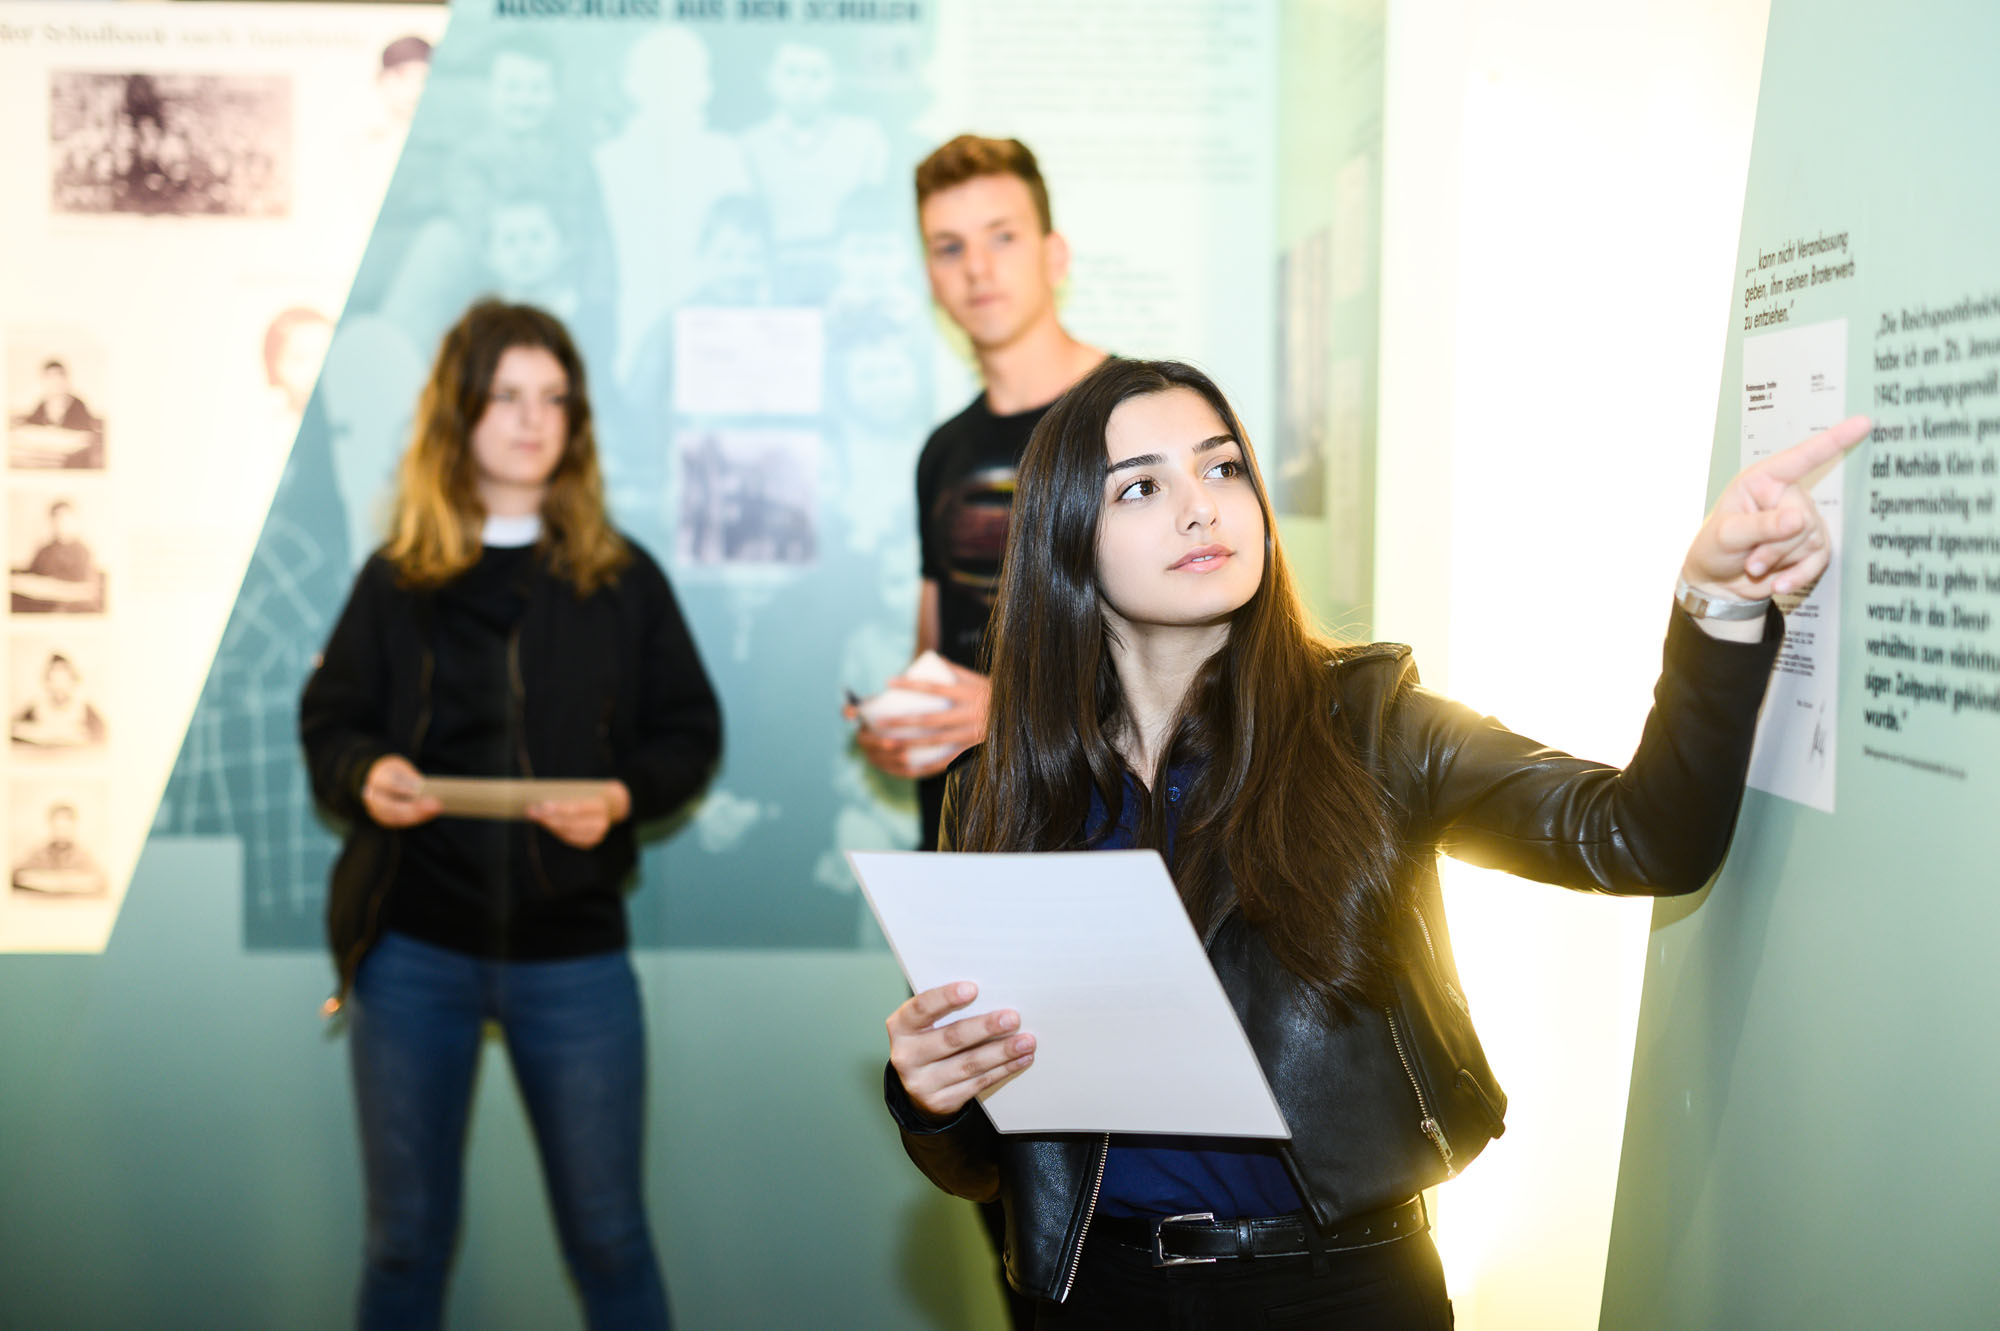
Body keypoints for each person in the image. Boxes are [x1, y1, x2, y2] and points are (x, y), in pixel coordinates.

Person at [881, 357, 1866, 1326]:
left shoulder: (1372, 729)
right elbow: (990, 1165)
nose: (1201, 507)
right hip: (1093, 1296)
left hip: (1338, 1291)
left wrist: (1717, 606)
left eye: (1223, 467)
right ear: (1064, 538)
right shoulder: (1000, 793)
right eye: (1141, 486)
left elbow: (1641, 838)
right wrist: (931, 1097)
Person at [299, 300, 720, 1330]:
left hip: (573, 952)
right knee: (403, 1244)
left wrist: (620, 796)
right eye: (507, 397)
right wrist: (365, 771)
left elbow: (689, 731)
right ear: (459, 413)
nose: (534, 420)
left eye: (555, 399)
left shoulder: (621, 577)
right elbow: (329, 719)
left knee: (610, 1238)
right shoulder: (396, 577)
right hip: (411, 949)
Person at [850, 135, 1107, 854]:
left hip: (1100, 829)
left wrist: (1013, 710)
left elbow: (1199, 661)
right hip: (962, 831)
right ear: (930, 275)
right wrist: (906, 720)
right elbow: (936, 647)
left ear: (1054, 255)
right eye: (949, 247)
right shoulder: (942, 451)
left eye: (1002, 236)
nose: (977, 268)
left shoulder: (1136, 415)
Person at [11, 359, 105, 468]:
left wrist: (53, 434)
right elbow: (27, 428)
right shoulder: (42, 404)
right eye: (50, 379)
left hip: (71, 464)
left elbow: (86, 437)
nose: (54, 383)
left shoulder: (78, 405)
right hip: (46, 459)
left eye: (58, 378)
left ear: (66, 380)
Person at [12, 652, 107, 749]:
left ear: (73, 680)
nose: (59, 685)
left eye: (64, 679)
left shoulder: (83, 706)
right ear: (47, 681)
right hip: (43, 755)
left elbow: (103, 735)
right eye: (54, 679)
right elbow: (12, 728)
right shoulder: (37, 705)